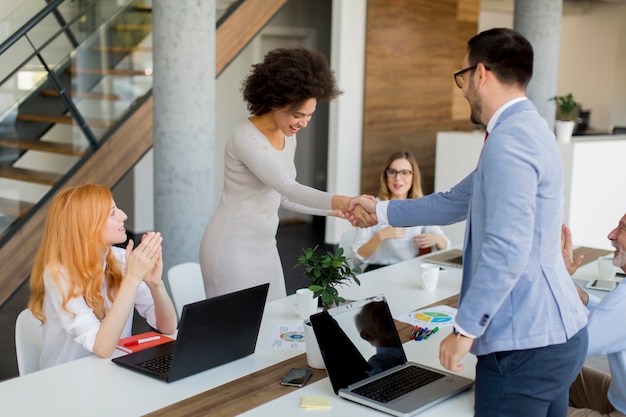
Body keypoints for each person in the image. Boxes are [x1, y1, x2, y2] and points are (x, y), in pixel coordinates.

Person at [349, 28, 588, 416]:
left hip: (523, 348)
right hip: (558, 337)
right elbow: (454, 201)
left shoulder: (509, 142)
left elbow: (506, 248)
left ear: (480, 74)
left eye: (462, 78)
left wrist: (464, 331)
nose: (462, 91)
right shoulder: (529, 129)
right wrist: (378, 210)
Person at [199, 47, 357, 302]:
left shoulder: (287, 136)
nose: (303, 123)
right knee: (239, 331)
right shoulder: (246, 138)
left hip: (265, 248)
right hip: (231, 249)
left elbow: (281, 197)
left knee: (275, 325)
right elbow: (287, 186)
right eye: (297, 115)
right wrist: (344, 201)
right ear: (275, 101)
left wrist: (333, 211)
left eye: (309, 116)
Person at [28, 184, 177, 369]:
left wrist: (155, 284)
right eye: (113, 213)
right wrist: (132, 277)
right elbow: (103, 348)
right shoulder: (59, 274)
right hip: (67, 380)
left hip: (112, 370)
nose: (124, 216)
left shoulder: (122, 260)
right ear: (86, 226)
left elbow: (169, 327)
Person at [562, 217, 626, 417]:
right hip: (620, 397)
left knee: (516, 404)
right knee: (554, 374)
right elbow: (612, 319)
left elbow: (568, 345)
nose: (611, 235)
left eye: (622, 229)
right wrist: (578, 294)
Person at [351, 150, 450, 272]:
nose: (398, 178)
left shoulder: (420, 206)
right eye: (392, 172)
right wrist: (380, 236)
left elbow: (446, 245)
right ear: (386, 176)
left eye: (404, 173)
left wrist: (436, 239)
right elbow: (357, 258)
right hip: (377, 271)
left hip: (408, 270)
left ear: (414, 177)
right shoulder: (372, 207)